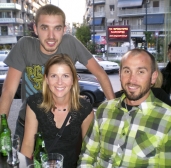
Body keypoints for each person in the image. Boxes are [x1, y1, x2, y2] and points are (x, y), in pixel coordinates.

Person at [0, 4, 114, 145]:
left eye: (57, 28)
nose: (51, 36)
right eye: (44, 27)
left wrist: (115, 112)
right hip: (27, 126)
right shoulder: (25, 46)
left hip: (64, 128)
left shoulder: (70, 43)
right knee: (23, 167)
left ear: (64, 29)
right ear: (35, 29)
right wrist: (2, 128)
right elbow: (9, 91)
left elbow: (100, 74)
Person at [77, 49, 171, 168]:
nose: (132, 79)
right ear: (120, 74)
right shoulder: (104, 110)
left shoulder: (168, 120)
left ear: (153, 77)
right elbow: (87, 156)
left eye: (141, 72)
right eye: (127, 71)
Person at [21, 54, 94, 168]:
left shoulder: (85, 109)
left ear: (73, 80)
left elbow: (89, 151)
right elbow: (28, 145)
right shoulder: (35, 104)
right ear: (46, 79)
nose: (59, 82)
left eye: (65, 76)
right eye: (54, 76)